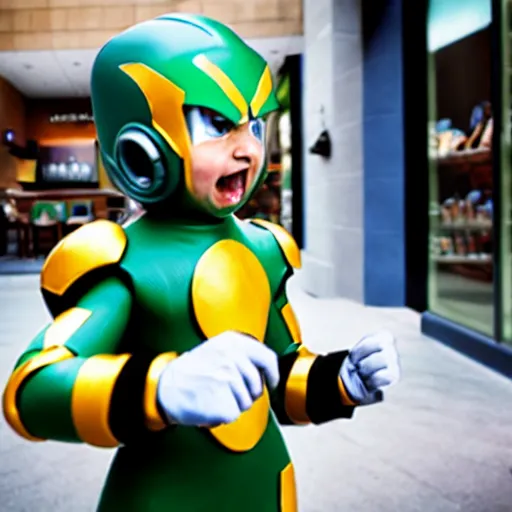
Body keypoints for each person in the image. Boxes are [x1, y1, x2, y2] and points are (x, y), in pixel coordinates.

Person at [2, 13, 400, 512]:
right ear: (140, 149)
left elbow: (281, 376)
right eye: (217, 124)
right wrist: (160, 387)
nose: (248, 149)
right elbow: (31, 389)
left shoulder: (263, 249)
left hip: (266, 487)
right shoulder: (119, 260)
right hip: (164, 494)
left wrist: (341, 380)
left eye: (255, 124)